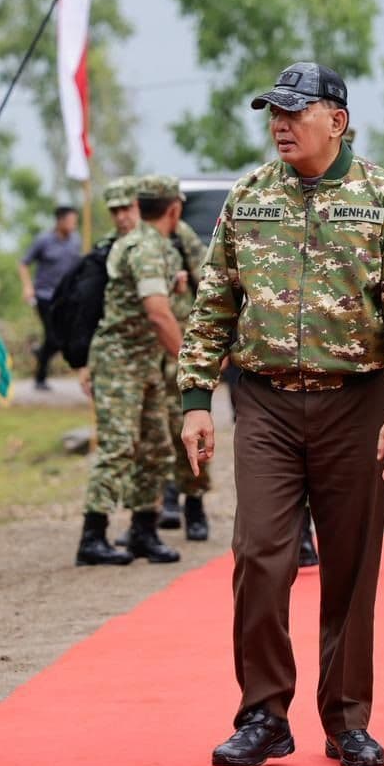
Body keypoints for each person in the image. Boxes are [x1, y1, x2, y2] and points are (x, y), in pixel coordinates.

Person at [179, 62, 384, 766]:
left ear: (338, 120)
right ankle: (263, 714)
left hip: (357, 403)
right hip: (262, 401)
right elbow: (213, 306)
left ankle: (347, 718)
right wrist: (196, 399)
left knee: (351, 568)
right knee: (260, 556)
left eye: (296, 111)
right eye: (274, 112)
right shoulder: (248, 197)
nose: (281, 124)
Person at [76, 175, 187, 567]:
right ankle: (93, 535)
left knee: (156, 446)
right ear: (174, 208)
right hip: (119, 360)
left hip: (147, 362)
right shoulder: (142, 249)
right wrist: (191, 362)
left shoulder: (160, 247)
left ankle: (144, 530)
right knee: (118, 446)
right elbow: (158, 314)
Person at [160, 215, 212, 539]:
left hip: (185, 348)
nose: (123, 216)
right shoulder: (131, 244)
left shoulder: (183, 238)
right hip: (145, 356)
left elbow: (210, 284)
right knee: (155, 434)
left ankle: (194, 502)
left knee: (190, 429)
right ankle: (163, 499)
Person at [18, 206, 81, 390]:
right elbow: (23, 263)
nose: (73, 225)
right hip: (45, 296)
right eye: (70, 221)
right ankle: (40, 377)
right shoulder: (43, 241)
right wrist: (28, 287)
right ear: (60, 221)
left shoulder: (75, 241)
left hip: (66, 297)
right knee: (53, 336)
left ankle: (41, 357)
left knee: (63, 336)